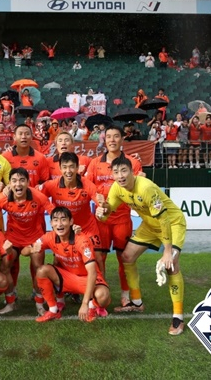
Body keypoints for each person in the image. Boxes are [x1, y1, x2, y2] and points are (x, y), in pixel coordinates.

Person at [96, 156, 187, 336]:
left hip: (172, 223)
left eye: (124, 171)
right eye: (116, 172)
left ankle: (178, 316)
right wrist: (102, 211)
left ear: (132, 172)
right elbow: (108, 214)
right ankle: (136, 302)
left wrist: (167, 252)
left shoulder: (146, 187)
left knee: (171, 266)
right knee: (127, 257)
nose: (120, 176)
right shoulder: (117, 188)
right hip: (149, 225)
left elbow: (163, 219)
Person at [86, 125, 142, 306]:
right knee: (99, 258)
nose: (112, 140)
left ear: (122, 139)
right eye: (108, 136)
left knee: (124, 259)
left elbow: (139, 186)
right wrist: (97, 198)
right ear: (104, 140)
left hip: (122, 220)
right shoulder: (95, 163)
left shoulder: (133, 163)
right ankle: (103, 292)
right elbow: (88, 187)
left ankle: (126, 295)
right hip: (100, 220)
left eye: (116, 136)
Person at [23, 207, 111, 322]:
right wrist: (31, 250)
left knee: (103, 296)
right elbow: (23, 251)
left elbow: (92, 272)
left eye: (63, 219)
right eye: (55, 220)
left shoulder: (82, 240)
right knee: (41, 270)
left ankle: (92, 306)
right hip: (67, 278)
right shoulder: (49, 237)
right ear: (51, 223)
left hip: (86, 279)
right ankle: (53, 310)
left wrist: (84, 304)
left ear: (71, 222)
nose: (59, 223)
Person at [0, 168, 54, 315]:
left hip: (35, 238)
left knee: (38, 267)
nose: (18, 184)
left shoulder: (38, 196)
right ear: (9, 183)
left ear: (28, 182)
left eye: (22, 180)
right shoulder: (3, 198)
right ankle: (10, 302)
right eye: (14, 181)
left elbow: (54, 213)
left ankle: (39, 303)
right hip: (13, 239)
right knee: (4, 266)